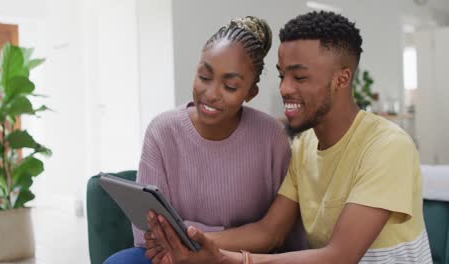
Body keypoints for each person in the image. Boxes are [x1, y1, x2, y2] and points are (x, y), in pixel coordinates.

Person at [146, 11, 432, 264]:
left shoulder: (387, 146)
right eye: (283, 76)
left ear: (342, 80)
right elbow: (269, 231)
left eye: (300, 78)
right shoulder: (303, 147)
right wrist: (191, 243)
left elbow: (340, 256)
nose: (284, 89)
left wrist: (226, 259)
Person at [103, 16, 305, 264]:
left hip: (238, 258)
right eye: (204, 77)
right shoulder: (163, 130)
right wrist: (224, 237)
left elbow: (274, 234)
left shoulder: (271, 136)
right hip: (173, 256)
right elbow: (148, 235)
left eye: (230, 86)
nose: (211, 94)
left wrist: (195, 237)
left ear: (250, 93)